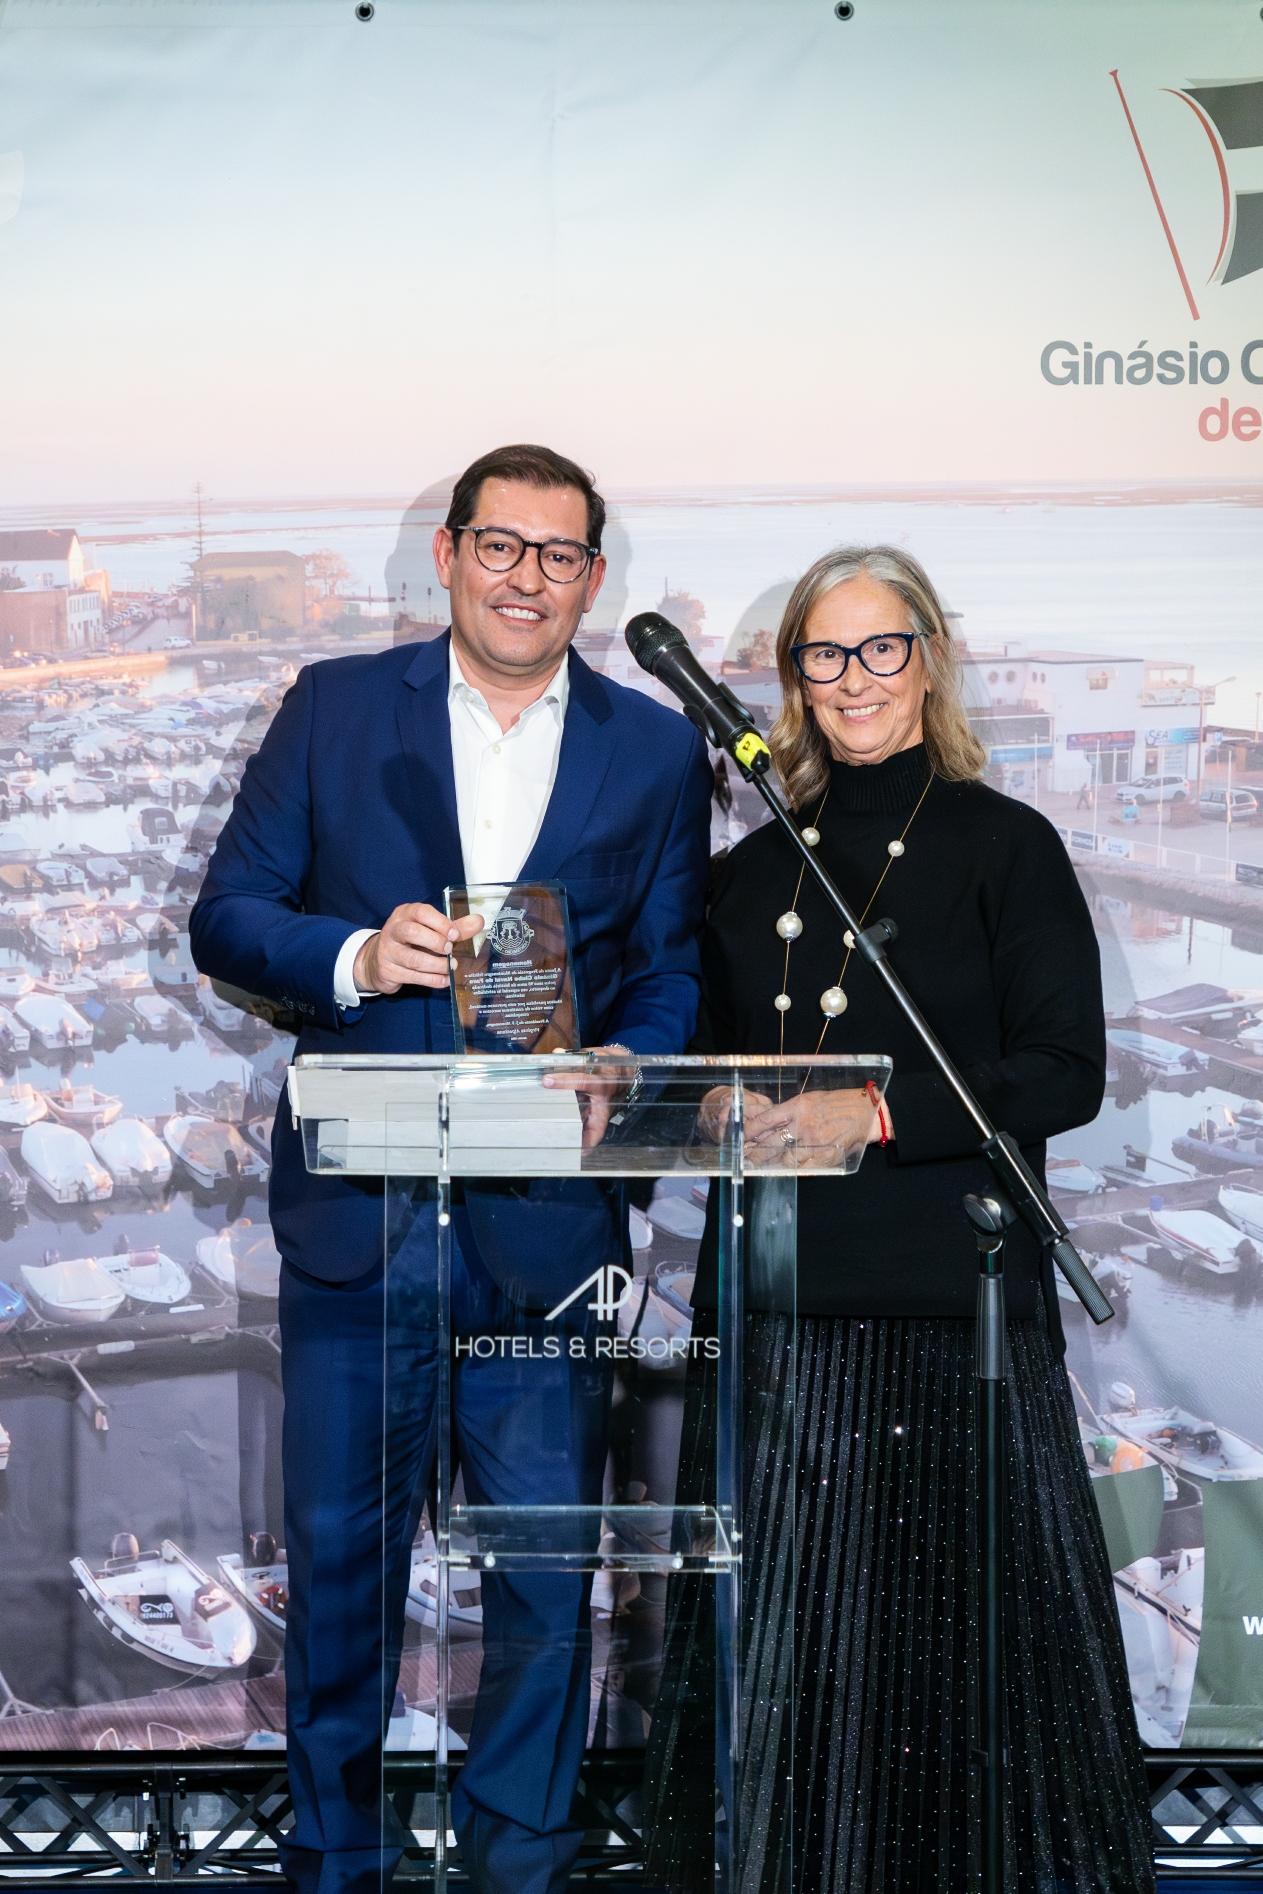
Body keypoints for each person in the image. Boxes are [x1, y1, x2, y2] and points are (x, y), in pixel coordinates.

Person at [190, 443, 713, 1894]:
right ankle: (336, 1866)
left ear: (593, 579)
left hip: (547, 1230)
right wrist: (357, 954)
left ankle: (519, 1867)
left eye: (560, 555)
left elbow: (671, 967)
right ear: (449, 553)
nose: (526, 577)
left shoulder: (656, 747)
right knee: (340, 1579)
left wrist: (629, 1057)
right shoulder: (335, 707)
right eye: (501, 545)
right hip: (359, 1228)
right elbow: (228, 914)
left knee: (543, 1584)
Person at [646, 545, 1154, 1892]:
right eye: (826, 653)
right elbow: (701, 1069)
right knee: (794, 1670)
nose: (855, 678)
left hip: (955, 1314)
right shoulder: (749, 873)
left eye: (882, 648)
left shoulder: (1007, 845)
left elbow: (1064, 1072)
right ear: (794, 681)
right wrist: (684, 1090)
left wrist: (869, 1114)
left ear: (929, 660)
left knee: (967, 1673)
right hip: (784, 1320)